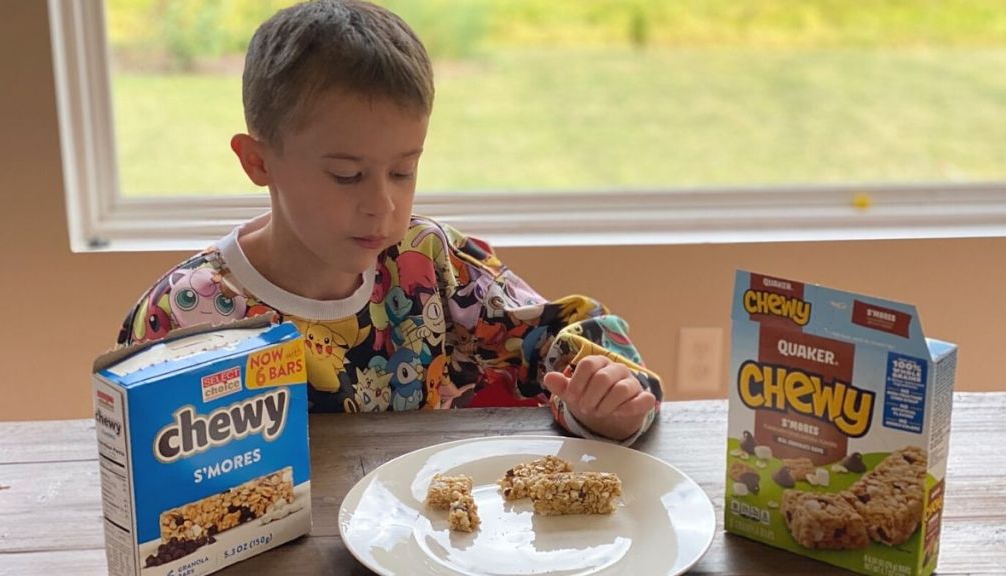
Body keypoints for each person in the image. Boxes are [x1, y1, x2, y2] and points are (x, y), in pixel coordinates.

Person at [117, 0, 662, 444]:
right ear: (258, 162)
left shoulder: (430, 261)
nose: (383, 206)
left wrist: (605, 403)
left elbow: (561, 336)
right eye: (347, 176)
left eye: (404, 170)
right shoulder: (189, 314)